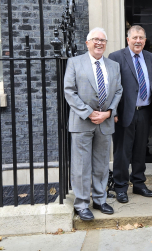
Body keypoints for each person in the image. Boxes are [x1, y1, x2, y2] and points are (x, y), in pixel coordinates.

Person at [64, 27, 122, 221]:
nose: (99, 43)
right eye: (95, 39)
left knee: (101, 164)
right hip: (82, 122)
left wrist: (108, 113)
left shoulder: (113, 65)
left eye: (103, 40)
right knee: (81, 166)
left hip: (105, 123)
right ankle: (81, 204)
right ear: (87, 42)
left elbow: (119, 91)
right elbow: (69, 91)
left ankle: (99, 199)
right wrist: (89, 113)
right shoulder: (74, 62)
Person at [109, 25, 152, 203]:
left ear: (145, 40)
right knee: (122, 151)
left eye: (141, 38)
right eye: (135, 37)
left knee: (140, 150)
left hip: (145, 111)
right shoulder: (115, 57)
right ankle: (120, 187)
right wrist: (113, 111)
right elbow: (111, 87)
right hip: (123, 113)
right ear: (127, 39)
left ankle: (139, 183)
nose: (138, 41)